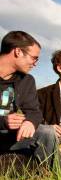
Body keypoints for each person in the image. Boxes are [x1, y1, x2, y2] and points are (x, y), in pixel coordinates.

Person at [0, 31, 56, 163]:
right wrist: (3, 121)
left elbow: (34, 111)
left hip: (10, 137)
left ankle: (50, 173)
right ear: (18, 52)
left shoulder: (27, 80)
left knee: (47, 132)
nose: (35, 63)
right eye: (34, 58)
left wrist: (30, 122)